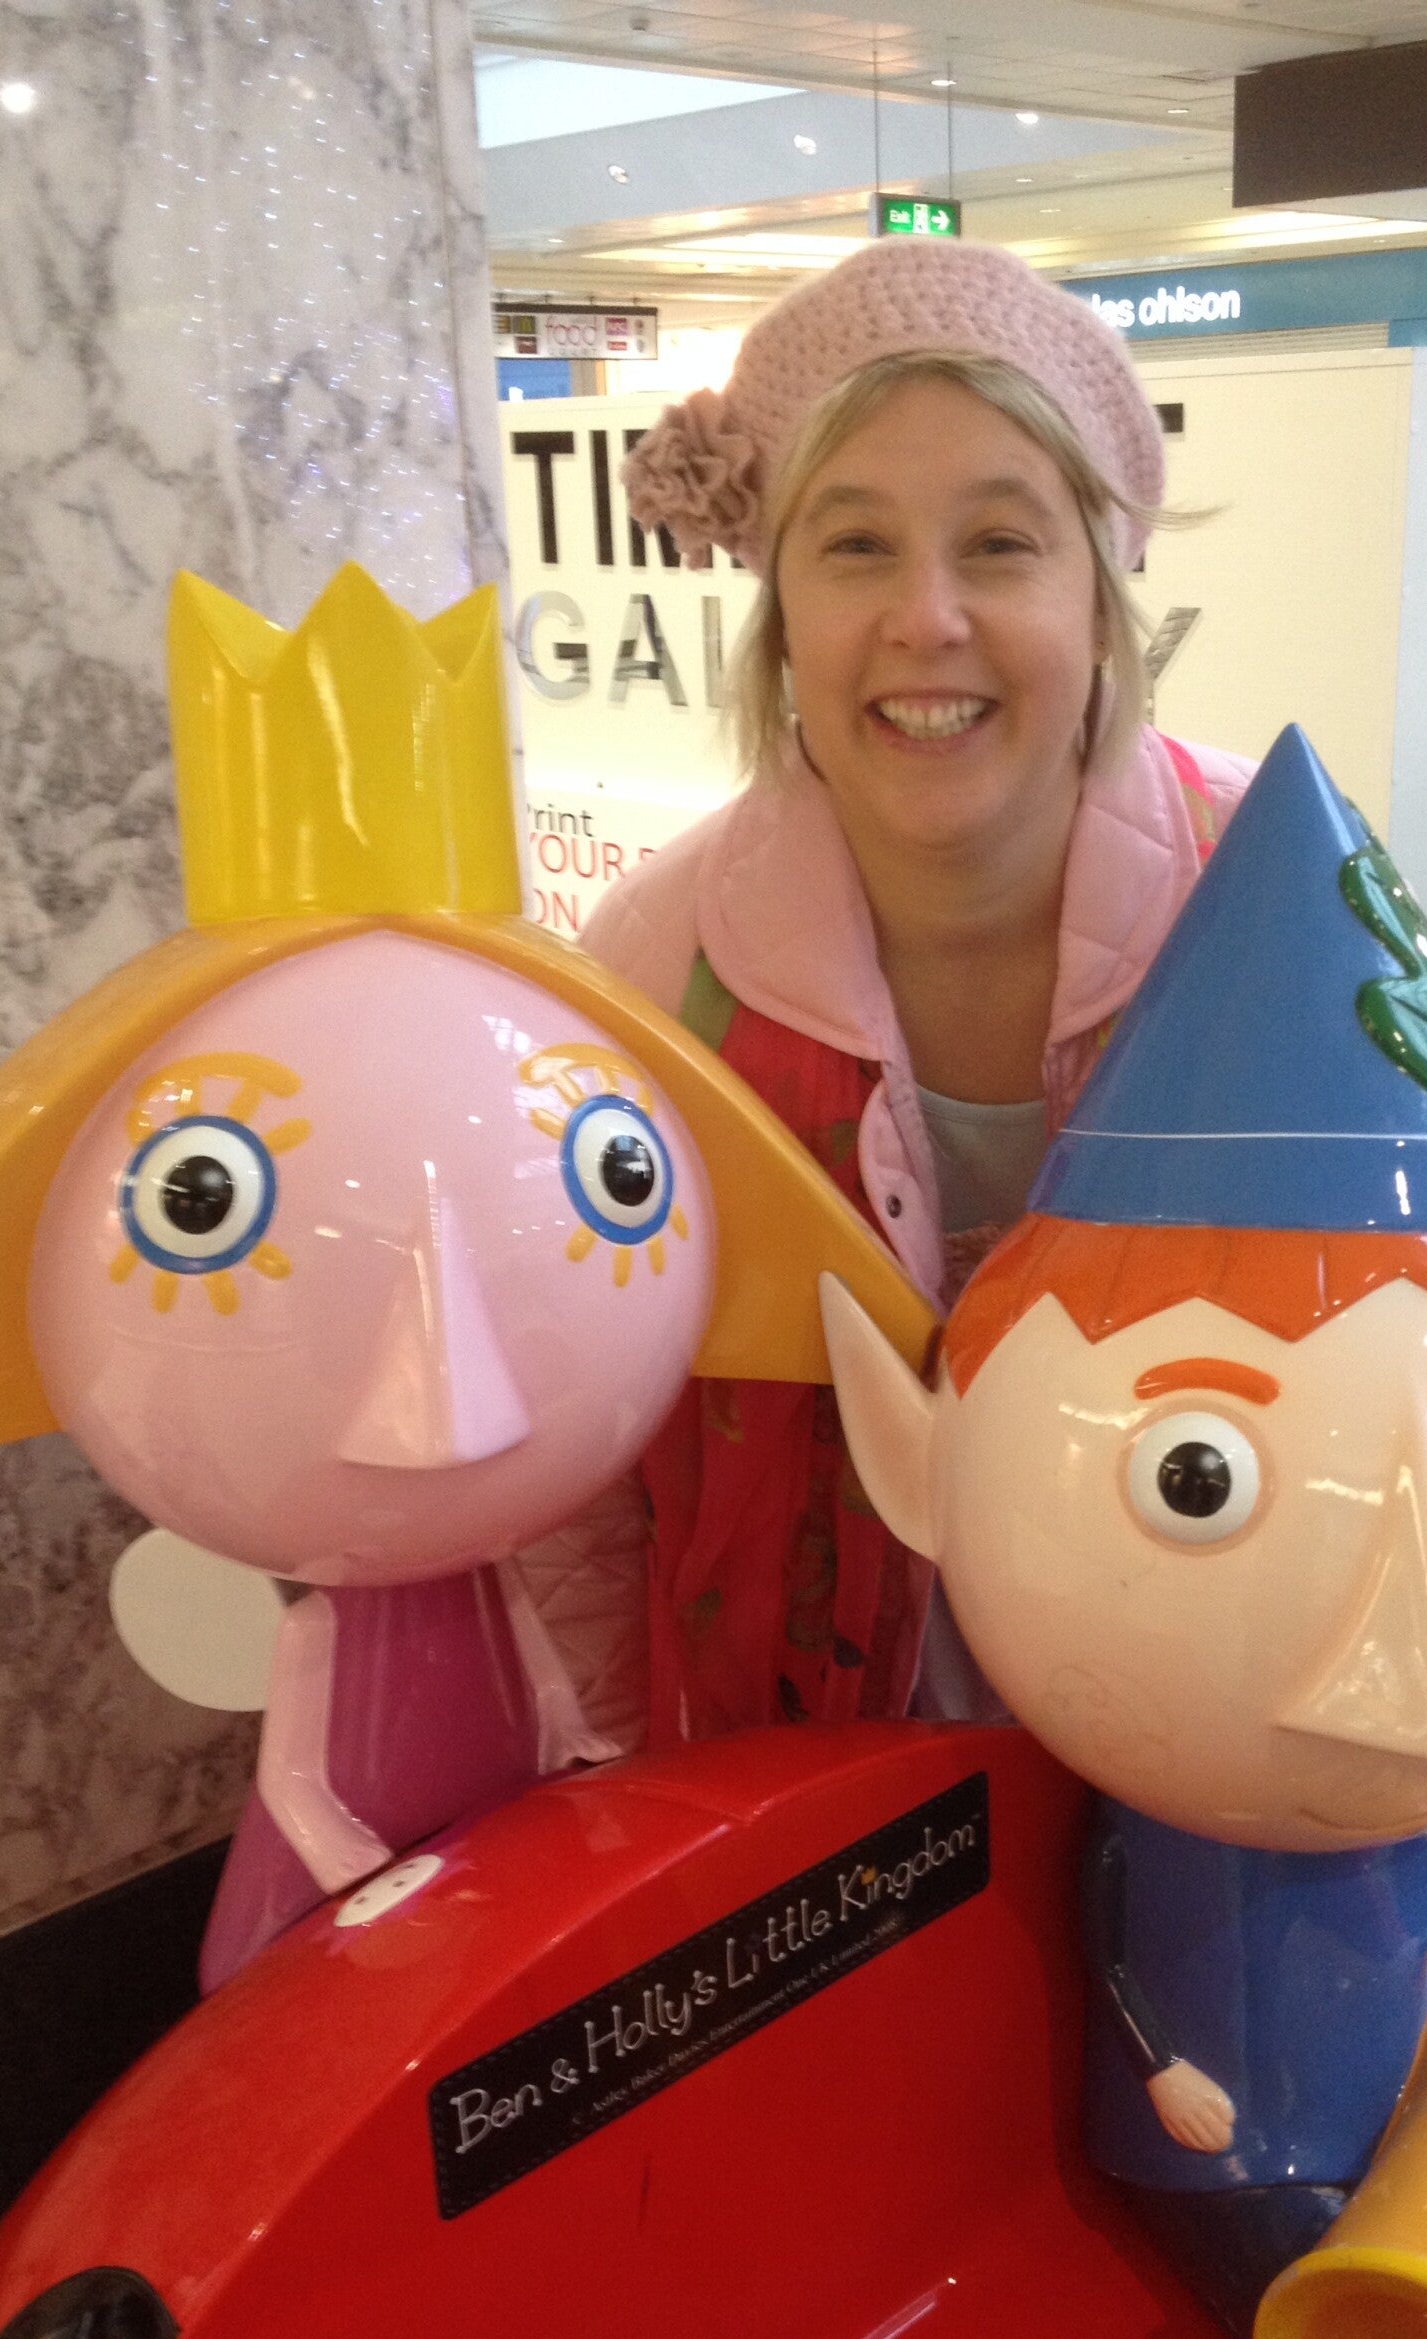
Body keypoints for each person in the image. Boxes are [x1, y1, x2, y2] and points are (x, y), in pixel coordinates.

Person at [529, 238, 1251, 1749]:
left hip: (1205, 1731)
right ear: (780, 607)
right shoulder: (656, 975)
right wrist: (621, 1776)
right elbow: (579, 1457)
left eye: (1000, 543)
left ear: (1098, 595)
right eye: (856, 545)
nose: (927, 618)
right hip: (805, 1761)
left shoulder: (1267, 891)